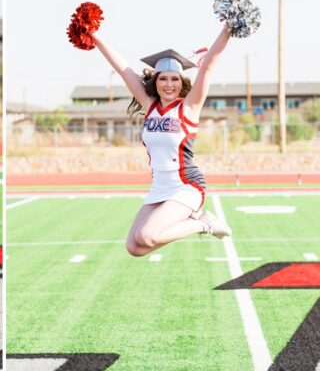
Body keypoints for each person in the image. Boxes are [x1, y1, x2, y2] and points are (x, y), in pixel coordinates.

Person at [91, 25, 232, 257]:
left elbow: (207, 68)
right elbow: (122, 68)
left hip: (187, 186)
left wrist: (227, 29)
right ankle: (197, 221)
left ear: (181, 82)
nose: (169, 84)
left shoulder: (189, 107)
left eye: (174, 79)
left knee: (148, 236)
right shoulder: (150, 106)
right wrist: (94, 36)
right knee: (134, 247)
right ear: (155, 81)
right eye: (163, 79)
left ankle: (204, 223)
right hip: (160, 187)